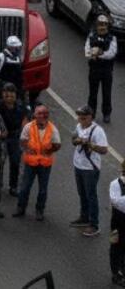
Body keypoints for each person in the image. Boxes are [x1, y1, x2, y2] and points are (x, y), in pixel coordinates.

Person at [15, 105, 61, 221]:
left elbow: (57, 144)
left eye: (44, 113)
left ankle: (40, 210)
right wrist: (27, 148)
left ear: (47, 115)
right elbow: (23, 139)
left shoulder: (52, 129)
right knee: (25, 187)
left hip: (45, 164)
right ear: (35, 115)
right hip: (30, 163)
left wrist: (49, 151)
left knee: (43, 189)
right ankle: (21, 208)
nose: (42, 116)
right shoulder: (28, 127)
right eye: (39, 113)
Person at [72, 105, 108, 237]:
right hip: (78, 165)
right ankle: (84, 217)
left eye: (84, 116)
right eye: (79, 115)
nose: (81, 118)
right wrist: (77, 141)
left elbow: (104, 150)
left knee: (91, 196)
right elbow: (73, 140)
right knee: (82, 193)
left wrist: (90, 144)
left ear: (90, 117)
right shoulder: (79, 126)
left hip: (90, 169)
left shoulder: (98, 131)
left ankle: (94, 225)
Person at [0, 83, 29, 197]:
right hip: (2, 137)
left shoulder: (21, 106)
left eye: (11, 96)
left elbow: (25, 121)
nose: (9, 98)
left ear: (15, 96)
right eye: (6, 96)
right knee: (0, 161)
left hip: (15, 137)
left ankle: (13, 186)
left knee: (15, 162)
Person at [87, 14, 119, 123]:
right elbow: (87, 51)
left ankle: (106, 113)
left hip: (106, 70)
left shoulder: (112, 38)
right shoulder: (91, 36)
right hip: (94, 69)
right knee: (92, 93)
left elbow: (111, 53)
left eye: (105, 24)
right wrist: (93, 53)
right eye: (100, 24)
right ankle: (91, 114)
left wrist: (99, 54)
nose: (102, 26)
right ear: (96, 25)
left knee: (106, 93)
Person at [109, 160, 125, 285]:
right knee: (116, 246)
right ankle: (116, 273)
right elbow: (116, 202)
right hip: (118, 221)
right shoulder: (116, 184)